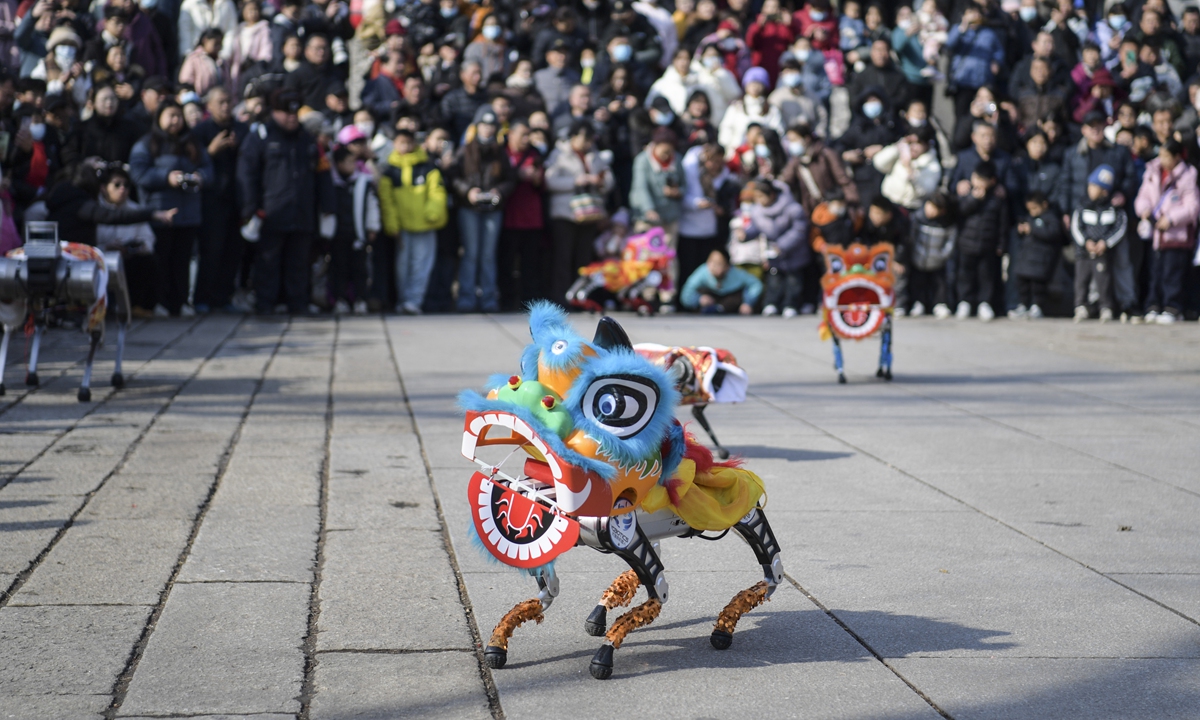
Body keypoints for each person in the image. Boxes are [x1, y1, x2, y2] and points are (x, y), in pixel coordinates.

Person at [237, 90, 334, 315]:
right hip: (271, 213)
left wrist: (328, 210)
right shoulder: (261, 137)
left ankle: (297, 303)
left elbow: (322, 175)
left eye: (294, 113)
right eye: (285, 113)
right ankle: (266, 304)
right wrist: (250, 209)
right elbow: (247, 175)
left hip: (302, 212)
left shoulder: (308, 139)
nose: (291, 118)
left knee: (299, 264)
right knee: (267, 263)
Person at [129, 100, 215, 317]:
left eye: (179, 115)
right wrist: (166, 178)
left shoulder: (192, 142)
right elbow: (137, 173)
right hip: (159, 212)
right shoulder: (147, 143)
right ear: (159, 118)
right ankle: (159, 302)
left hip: (189, 213)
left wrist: (200, 177)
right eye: (170, 115)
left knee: (182, 261)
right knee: (161, 261)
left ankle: (180, 302)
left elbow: (208, 168)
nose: (175, 120)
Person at [447, 109, 514, 313]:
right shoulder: (465, 150)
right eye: (484, 125)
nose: (488, 129)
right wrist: (468, 191)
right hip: (469, 208)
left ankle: (488, 298)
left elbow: (510, 179)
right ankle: (466, 297)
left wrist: (498, 191)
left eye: (491, 125)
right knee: (471, 253)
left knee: (488, 255)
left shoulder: (499, 152)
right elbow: (454, 177)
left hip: (493, 209)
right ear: (476, 127)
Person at [191, 85, 248, 314]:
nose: (226, 107)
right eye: (220, 103)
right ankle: (202, 297)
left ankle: (224, 297)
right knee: (211, 251)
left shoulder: (242, 129)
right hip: (211, 199)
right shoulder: (201, 131)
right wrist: (211, 151)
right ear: (209, 106)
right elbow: (192, 161)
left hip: (237, 198)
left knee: (232, 252)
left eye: (228, 102)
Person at [544, 120, 614, 307]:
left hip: (589, 213)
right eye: (584, 139)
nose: (587, 143)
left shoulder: (595, 155)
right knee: (563, 258)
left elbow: (609, 181)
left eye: (590, 140)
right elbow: (550, 182)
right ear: (573, 137)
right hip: (565, 213)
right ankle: (561, 299)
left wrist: (600, 181)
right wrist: (577, 180)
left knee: (584, 260)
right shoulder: (559, 154)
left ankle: (580, 297)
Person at [1134, 139, 1198, 325]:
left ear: (1177, 157)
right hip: (1155, 233)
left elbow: (1192, 207)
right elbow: (1143, 196)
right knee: (1155, 272)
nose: (1162, 159)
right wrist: (1144, 210)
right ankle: (1153, 305)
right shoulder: (1152, 171)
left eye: (1166, 156)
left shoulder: (1187, 175)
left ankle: (1172, 307)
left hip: (1176, 234)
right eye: (1160, 155)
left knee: (1173, 273)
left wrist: (1171, 219)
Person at [740, 179, 807, 317]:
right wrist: (745, 234)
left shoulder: (792, 208)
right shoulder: (758, 212)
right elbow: (756, 228)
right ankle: (771, 303)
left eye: (760, 197)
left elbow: (799, 230)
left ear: (771, 195)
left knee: (793, 280)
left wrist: (781, 245)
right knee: (774, 279)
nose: (758, 201)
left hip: (793, 252)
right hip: (774, 254)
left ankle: (791, 304)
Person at [498, 120, 546, 309]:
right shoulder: (502, 153)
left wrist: (537, 178)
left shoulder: (535, 154)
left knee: (530, 266)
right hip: (508, 217)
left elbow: (541, 185)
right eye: (522, 135)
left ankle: (529, 303)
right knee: (507, 264)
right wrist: (517, 175)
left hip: (531, 219)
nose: (526, 139)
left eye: (528, 135)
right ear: (511, 134)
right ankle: (507, 301)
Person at [1071, 164, 1127, 322]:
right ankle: (1081, 306)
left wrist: (1105, 243)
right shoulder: (1082, 205)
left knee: (1104, 281)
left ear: (1105, 190)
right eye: (1090, 185)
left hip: (1103, 251)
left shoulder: (1113, 208)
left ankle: (1106, 307)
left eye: (1095, 186)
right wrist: (1085, 242)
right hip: (1083, 252)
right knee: (1082, 279)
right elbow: (1076, 227)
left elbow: (1119, 227)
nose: (1091, 189)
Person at [954, 160, 1008, 321]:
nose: (978, 182)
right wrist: (973, 199)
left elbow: (1003, 224)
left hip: (988, 244)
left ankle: (985, 303)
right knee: (965, 275)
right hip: (966, 243)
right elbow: (960, 212)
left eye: (983, 179)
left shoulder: (998, 198)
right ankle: (965, 301)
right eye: (976, 178)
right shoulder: (966, 193)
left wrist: (1001, 244)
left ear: (992, 181)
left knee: (986, 276)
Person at [328, 145, 379, 314]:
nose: (353, 165)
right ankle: (340, 300)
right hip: (337, 234)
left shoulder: (364, 181)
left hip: (358, 233)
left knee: (360, 269)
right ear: (338, 163)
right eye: (349, 162)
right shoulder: (331, 182)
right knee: (338, 268)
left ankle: (360, 299)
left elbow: (372, 205)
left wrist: (372, 226)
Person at [1009, 190, 1064, 320]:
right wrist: (1021, 231)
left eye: (1034, 208)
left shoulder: (1051, 218)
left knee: (1037, 287)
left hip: (1041, 261)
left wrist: (1032, 229)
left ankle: (1036, 307)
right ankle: (1023, 305)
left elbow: (1053, 233)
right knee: (1022, 285)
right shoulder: (1029, 218)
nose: (1032, 211)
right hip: (1025, 260)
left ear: (1044, 205)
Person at [906, 190, 956, 318]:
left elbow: (950, 242)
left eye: (935, 208)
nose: (931, 211)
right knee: (918, 282)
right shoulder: (916, 218)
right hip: (919, 258)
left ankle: (940, 304)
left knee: (939, 284)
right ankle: (918, 303)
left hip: (937, 260)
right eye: (930, 206)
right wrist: (915, 253)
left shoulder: (947, 223)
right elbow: (911, 239)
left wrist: (942, 255)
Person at [874, 125, 941, 211]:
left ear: (927, 145)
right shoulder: (901, 151)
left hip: (910, 208)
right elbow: (879, 163)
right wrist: (897, 148)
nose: (913, 147)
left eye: (918, 143)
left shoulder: (933, 166)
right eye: (911, 142)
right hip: (888, 201)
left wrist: (910, 170)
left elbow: (925, 191)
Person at [680, 248, 762, 313]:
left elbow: (756, 284)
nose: (714, 267)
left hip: (729, 302)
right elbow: (686, 292)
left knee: (738, 295)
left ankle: (719, 309)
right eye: (712, 262)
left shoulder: (736, 273)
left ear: (727, 266)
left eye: (719, 264)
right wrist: (698, 299)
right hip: (709, 302)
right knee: (701, 290)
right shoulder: (703, 271)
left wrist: (748, 302)